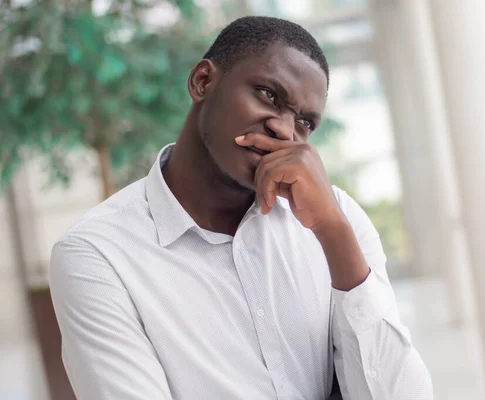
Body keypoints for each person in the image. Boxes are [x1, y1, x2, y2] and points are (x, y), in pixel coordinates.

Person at [50, 16, 433, 400]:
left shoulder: (335, 218)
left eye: (304, 123)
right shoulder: (97, 255)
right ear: (203, 81)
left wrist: (333, 233)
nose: (285, 131)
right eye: (268, 95)